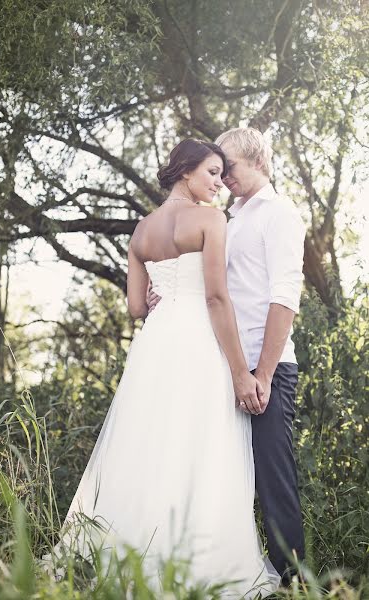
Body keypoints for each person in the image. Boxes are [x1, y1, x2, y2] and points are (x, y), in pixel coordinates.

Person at [47, 138, 280, 598]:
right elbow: (216, 297)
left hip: (157, 343)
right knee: (202, 444)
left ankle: (130, 555)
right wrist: (240, 370)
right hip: (200, 340)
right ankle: (199, 564)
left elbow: (136, 306)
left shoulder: (141, 230)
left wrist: (161, 294)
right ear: (186, 171)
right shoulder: (212, 219)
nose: (219, 183)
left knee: (148, 445)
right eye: (212, 173)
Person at [216, 127, 306, 582]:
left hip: (266, 365)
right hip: (228, 366)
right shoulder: (230, 218)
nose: (222, 173)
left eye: (228, 165)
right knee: (226, 473)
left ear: (256, 161)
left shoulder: (281, 214)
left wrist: (264, 375)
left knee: (273, 476)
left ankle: (293, 582)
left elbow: (284, 296)